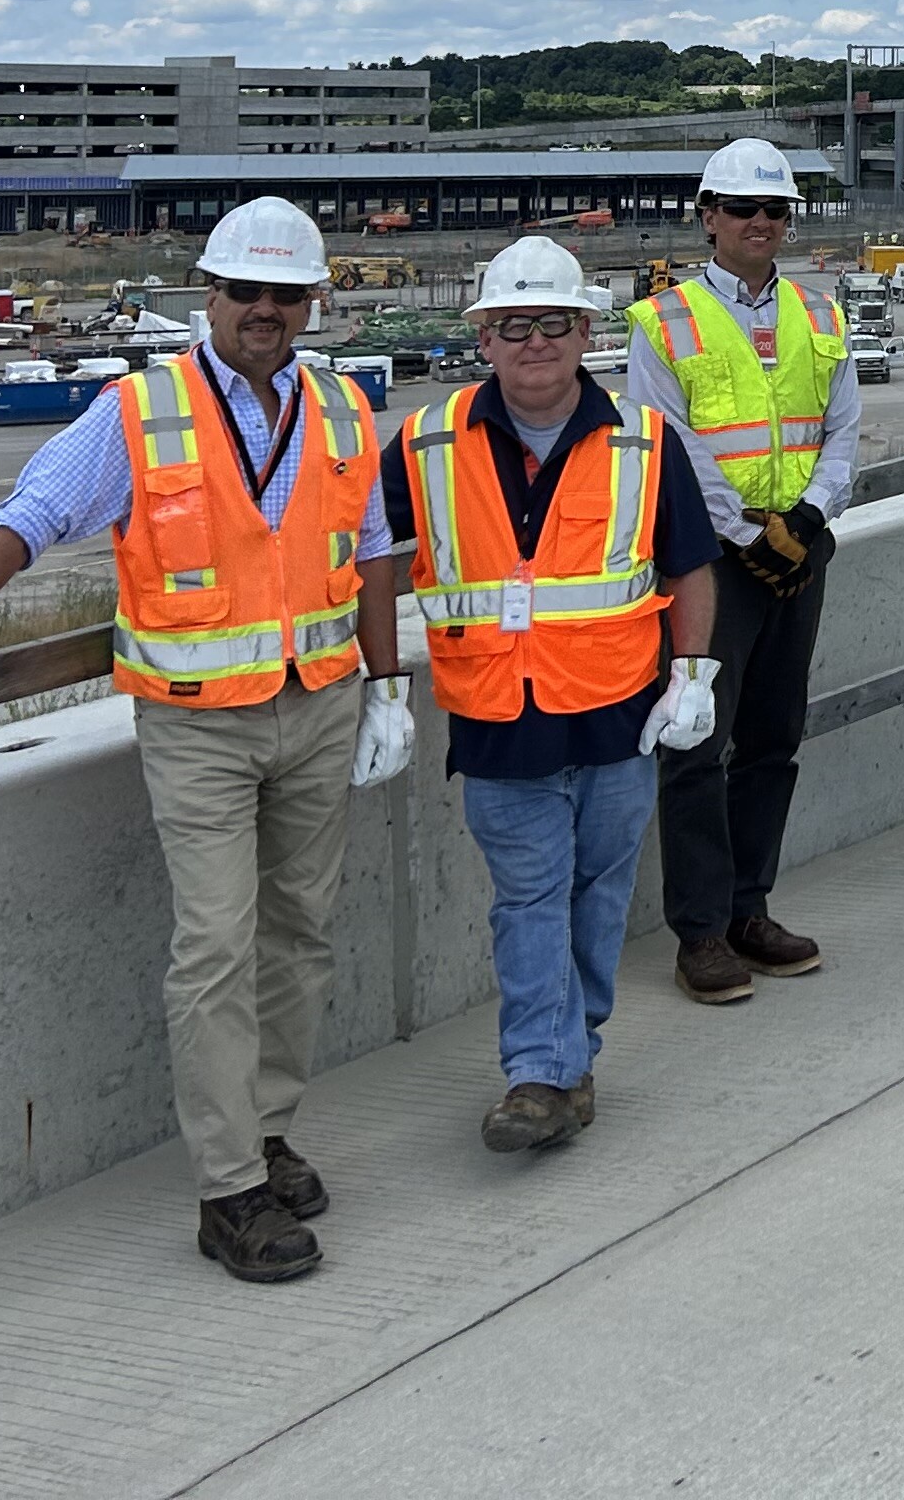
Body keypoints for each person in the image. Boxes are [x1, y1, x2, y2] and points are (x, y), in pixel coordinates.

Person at [0, 196, 403, 1284]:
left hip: (318, 707)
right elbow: (30, 519)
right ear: (207, 297)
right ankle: (229, 1192)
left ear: (313, 304)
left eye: (284, 295)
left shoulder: (345, 410)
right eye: (243, 292)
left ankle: (266, 1129)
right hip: (198, 729)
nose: (263, 311)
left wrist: (386, 685)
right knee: (216, 946)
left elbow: (374, 554)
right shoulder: (141, 412)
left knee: (302, 930)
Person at [387, 238, 722, 1151]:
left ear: (585, 333)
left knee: (599, 896)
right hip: (498, 721)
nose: (535, 342)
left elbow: (690, 565)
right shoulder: (426, 442)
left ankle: (573, 1059)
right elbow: (372, 566)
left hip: (619, 714)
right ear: (484, 339)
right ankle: (538, 1073)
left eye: (554, 324)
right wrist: (380, 685)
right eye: (514, 326)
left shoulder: (644, 443)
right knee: (531, 896)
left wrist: (691, 674)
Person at [621, 137, 859, 1005]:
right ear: (708, 217)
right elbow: (668, 440)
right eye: (743, 209)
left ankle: (750, 908)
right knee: (694, 743)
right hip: (710, 563)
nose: (761, 223)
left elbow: (841, 431)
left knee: (772, 740)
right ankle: (701, 932)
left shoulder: (822, 316)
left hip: (798, 551)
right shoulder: (663, 320)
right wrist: (748, 534)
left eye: (775, 211)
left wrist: (805, 519)